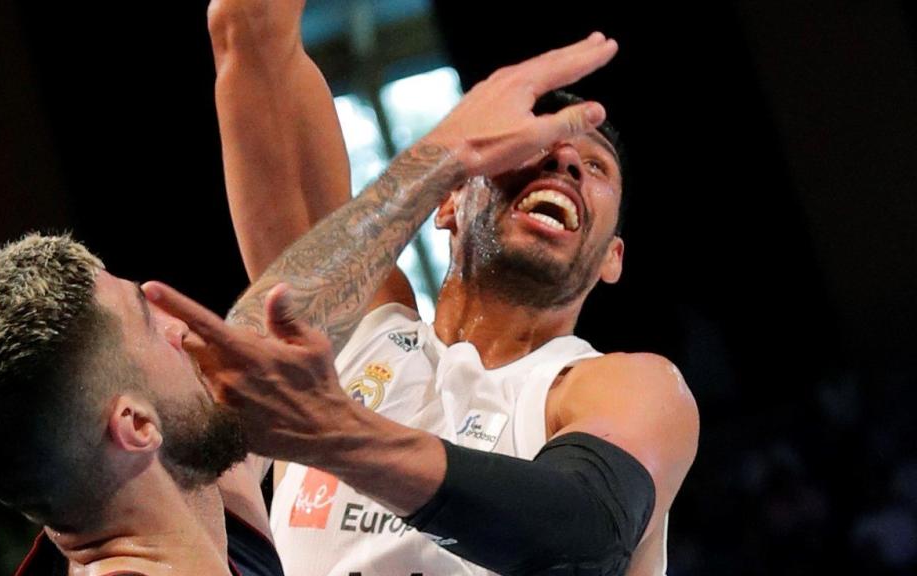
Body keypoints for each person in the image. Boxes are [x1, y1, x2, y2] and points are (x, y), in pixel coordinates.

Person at [153, 1, 699, 575]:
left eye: (596, 167)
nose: (563, 160)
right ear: (447, 201)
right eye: (532, 149)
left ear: (613, 258)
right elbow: (250, 28)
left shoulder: (627, 389)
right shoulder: (343, 334)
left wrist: (332, 432)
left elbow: (583, 540)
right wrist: (437, 157)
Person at [0, 234, 282, 575]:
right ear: (135, 426)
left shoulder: (185, 482)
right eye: (149, 321)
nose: (178, 328)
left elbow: (289, 301)